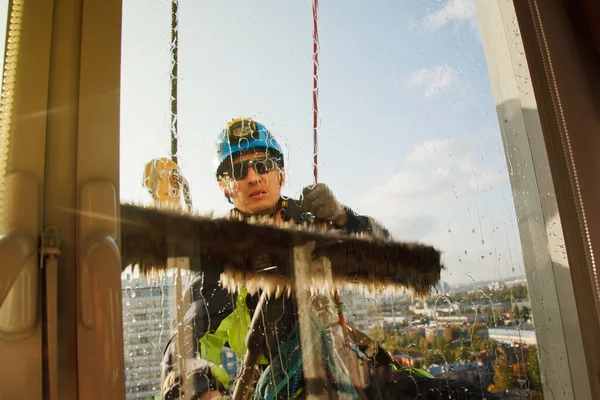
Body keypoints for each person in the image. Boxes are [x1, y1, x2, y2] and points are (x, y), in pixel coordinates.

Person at [160, 118, 492, 400]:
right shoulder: (221, 262)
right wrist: (201, 390)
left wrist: (346, 220)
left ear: (281, 174)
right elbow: (184, 342)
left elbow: (398, 266)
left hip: (351, 371)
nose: (253, 176)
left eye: (263, 165)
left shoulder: (312, 223)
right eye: (238, 169)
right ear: (225, 186)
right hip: (283, 389)